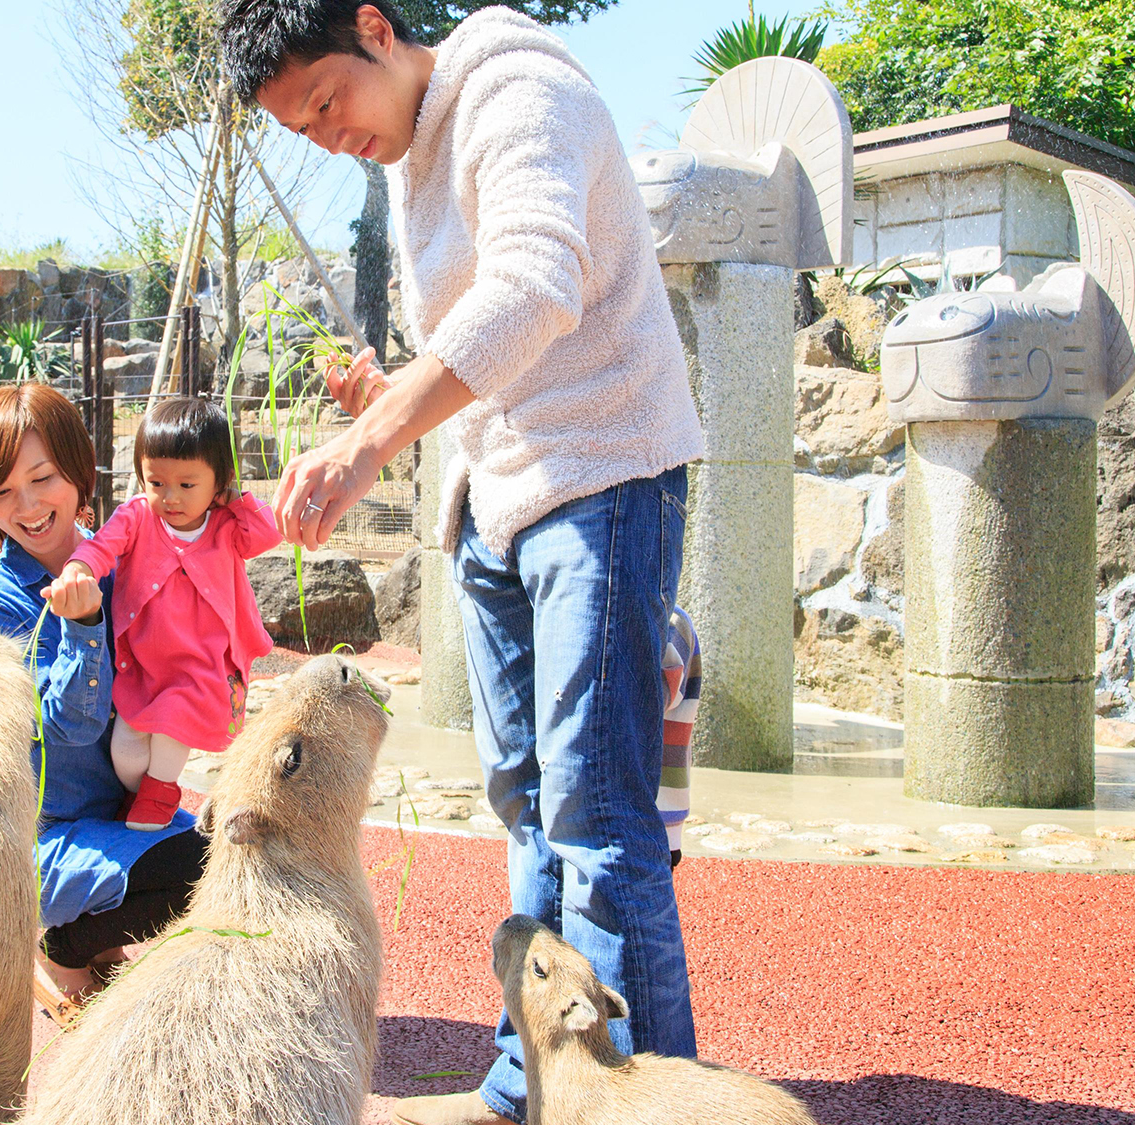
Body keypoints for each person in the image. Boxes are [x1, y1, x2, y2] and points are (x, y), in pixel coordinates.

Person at [220, 3, 709, 1123]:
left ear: (374, 28)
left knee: (595, 812)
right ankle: (529, 1079)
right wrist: (383, 394)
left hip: (600, 475)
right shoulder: (408, 145)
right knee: (529, 805)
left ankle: (644, 1099)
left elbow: (535, 287)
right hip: (494, 495)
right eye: (302, 129)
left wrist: (372, 434)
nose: (326, 136)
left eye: (326, 103)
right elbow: (476, 340)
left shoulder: (515, 92)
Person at [0, 382, 208, 1023]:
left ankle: (98, 932)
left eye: (42, 478)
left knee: (237, 856)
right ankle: (62, 946)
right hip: (46, 838)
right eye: (2, 492)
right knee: (193, 874)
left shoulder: (130, 553)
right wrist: (86, 625)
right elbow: (65, 726)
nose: (28, 507)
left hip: (127, 814)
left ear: (78, 472)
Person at [44, 396, 282, 831]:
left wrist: (235, 499)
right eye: (156, 483)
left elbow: (267, 534)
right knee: (126, 751)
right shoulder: (137, 516)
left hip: (202, 661)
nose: (170, 498)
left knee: (174, 724)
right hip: (142, 659)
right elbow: (101, 546)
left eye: (187, 485)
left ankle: (158, 792)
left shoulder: (226, 524)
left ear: (219, 482)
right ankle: (148, 792)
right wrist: (79, 568)